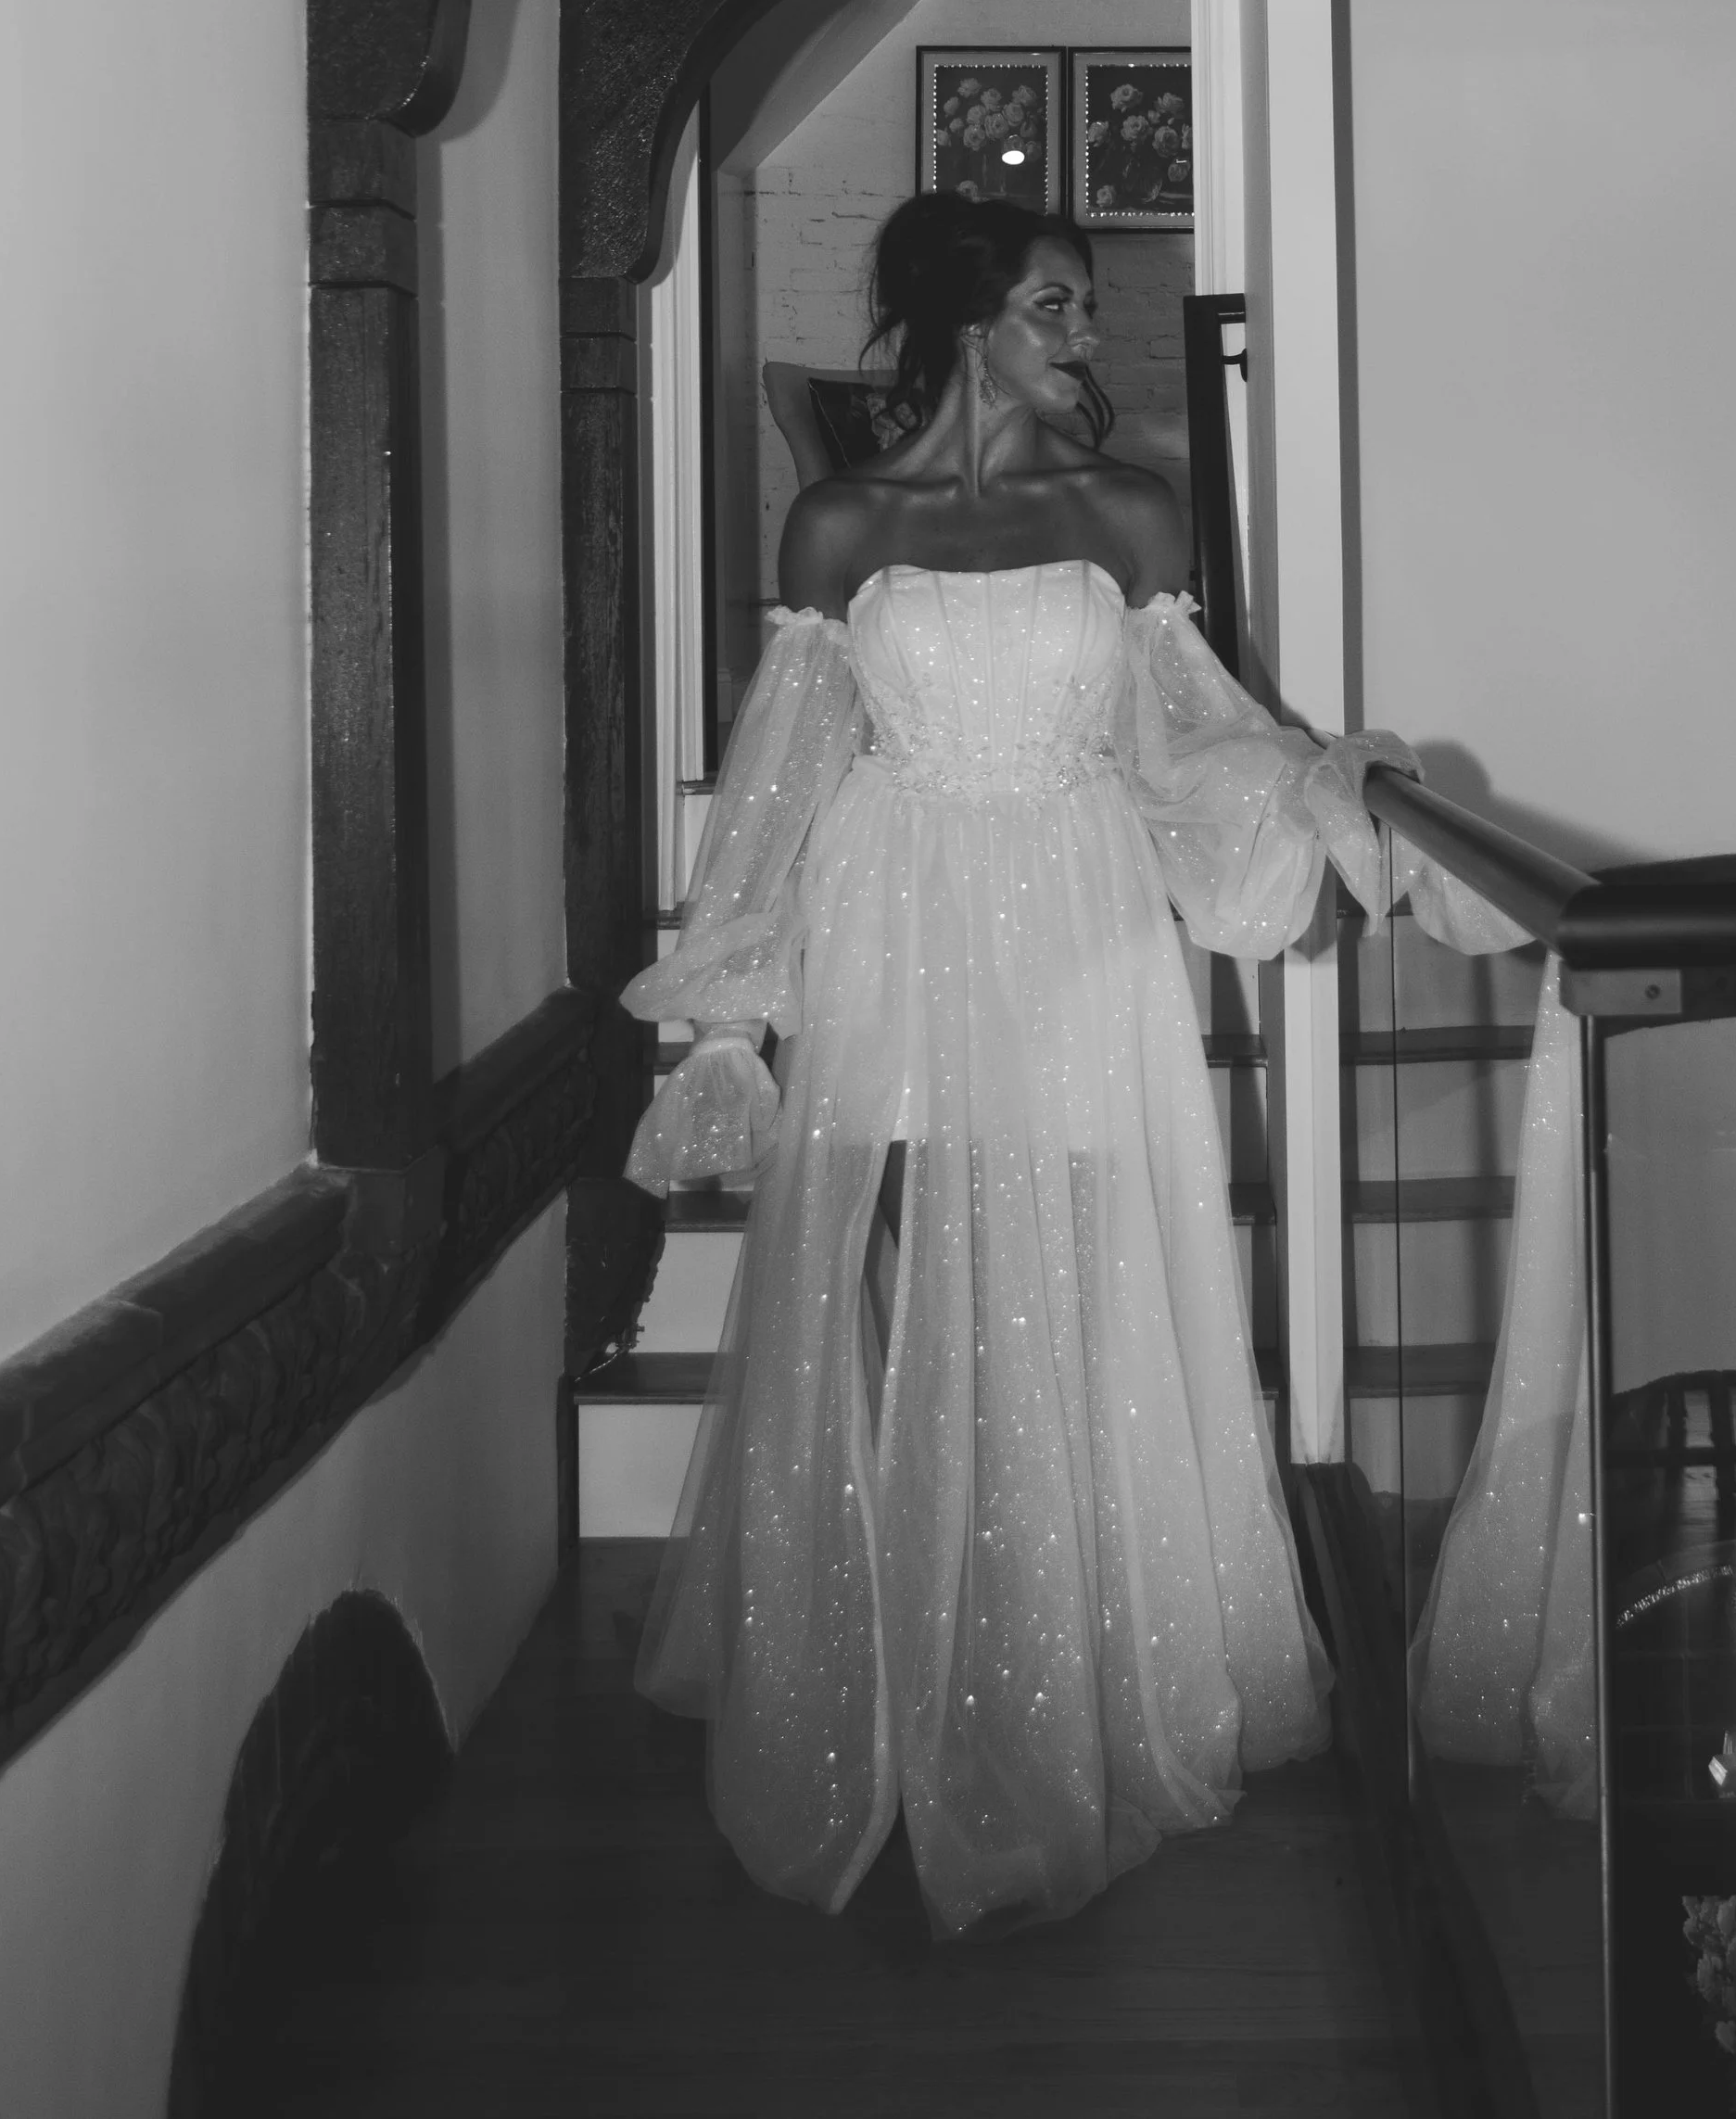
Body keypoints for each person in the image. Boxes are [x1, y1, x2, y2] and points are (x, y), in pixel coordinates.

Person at [622, 192, 1506, 1935]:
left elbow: (1195, 743)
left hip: (1077, 921)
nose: (1085, 336)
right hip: (893, 914)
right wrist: (728, 1012)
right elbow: (782, 775)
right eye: (1056, 305)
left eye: (1084, 309)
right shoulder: (838, 526)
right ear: (969, 324)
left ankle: (1061, 1653)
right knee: (899, 1277)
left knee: (1071, 1277)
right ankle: (908, 1651)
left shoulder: (1128, 511)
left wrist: (1323, 798)